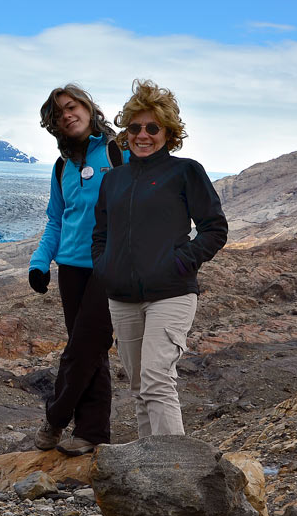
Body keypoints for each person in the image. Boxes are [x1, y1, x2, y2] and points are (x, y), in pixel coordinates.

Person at [91, 79, 228, 438]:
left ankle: (176, 476)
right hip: (122, 297)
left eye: (152, 127)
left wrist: (181, 261)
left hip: (171, 292)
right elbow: (101, 234)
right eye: (135, 127)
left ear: (168, 131)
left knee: (156, 381)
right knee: (139, 390)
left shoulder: (185, 172)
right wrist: (105, 267)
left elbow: (215, 228)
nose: (143, 135)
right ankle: (148, 477)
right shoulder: (114, 181)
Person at [28, 84, 125, 456]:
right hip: (71, 268)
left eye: (72, 107)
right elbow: (56, 220)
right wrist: (40, 264)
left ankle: (55, 418)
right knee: (92, 351)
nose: (67, 115)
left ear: (87, 107)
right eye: (58, 114)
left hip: (110, 264)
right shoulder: (61, 166)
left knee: (84, 344)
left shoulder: (119, 152)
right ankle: (92, 433)